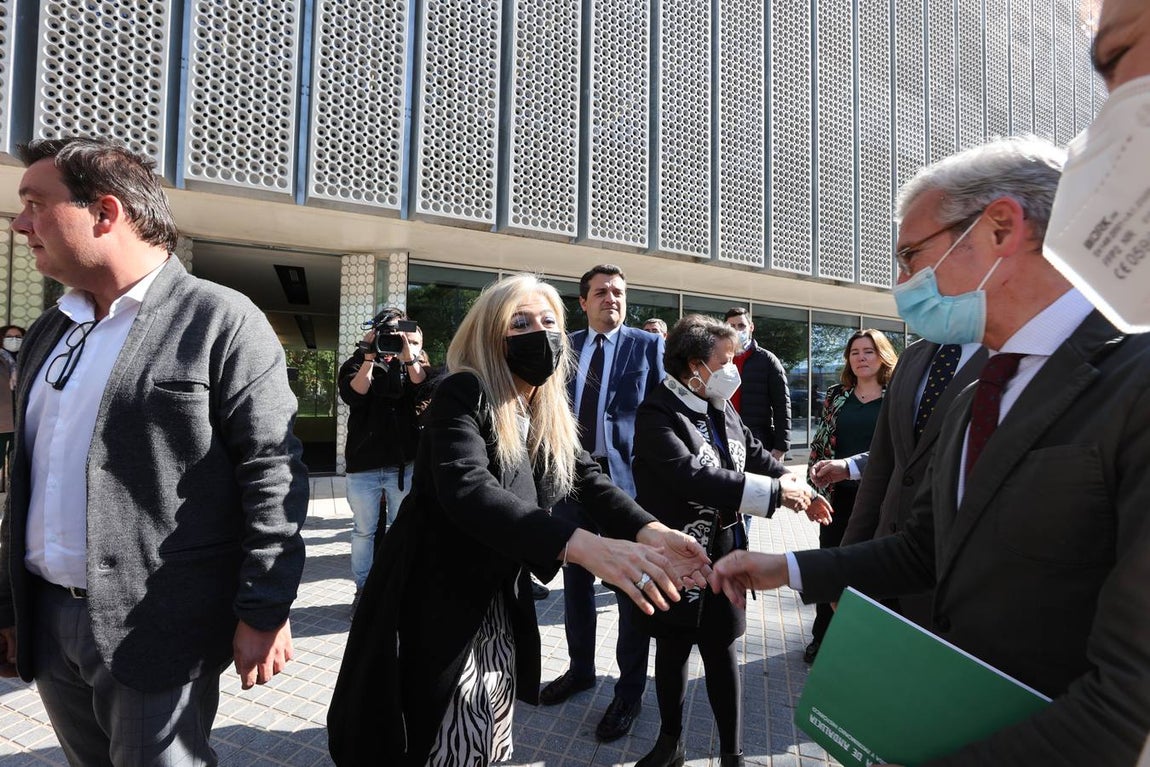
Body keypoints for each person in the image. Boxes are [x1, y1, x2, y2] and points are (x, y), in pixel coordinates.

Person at [710, 135, 1150, 765]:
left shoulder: (1135, 378)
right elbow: (928, 546)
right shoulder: (982, 387)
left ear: (1000, 228)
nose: (901, 281)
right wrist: (790, 571)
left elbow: (1129, 703)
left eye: (911, 254)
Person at [0, 136, 308, 765]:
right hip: (48, 616)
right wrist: (8, 605)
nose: (19, 223)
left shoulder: (221, 318)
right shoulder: (48, 330)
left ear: (105, 213)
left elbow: (271, 471)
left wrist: (265, 606)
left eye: (35, 203)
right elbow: (29, 475)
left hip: (155, 626)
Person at [326, 274, 711, 766]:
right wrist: (584, 547)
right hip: (434, 595)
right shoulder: (461, 391)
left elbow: (587, 477)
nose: (540, 333)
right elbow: (468, 487)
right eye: (521, 322)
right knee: (437, 731)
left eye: (549, 321)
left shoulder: (541, 405)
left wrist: (651, 531)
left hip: (495, 600)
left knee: (487, 721)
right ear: (491, 333)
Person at [629, 315, 829, 767]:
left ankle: (732, 754)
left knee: (722, 652)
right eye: (726, 359)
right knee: (673, 647)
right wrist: (777, 493)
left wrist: (798, 487)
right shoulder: (657, 413)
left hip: (724, 555)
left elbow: (754, 453)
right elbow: (693, 477)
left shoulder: (719, 403)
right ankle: (670, 742)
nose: (733, 366)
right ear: (697, 365)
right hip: (677, 556)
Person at [540, 264, 665, 742]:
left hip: (624, 488)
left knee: (631, 590)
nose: (611, 298)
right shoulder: (564, 345)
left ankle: (629, 692)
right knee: (575, 585)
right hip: (570, 483)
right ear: (583, 302)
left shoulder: (648, 344)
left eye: (618, 291)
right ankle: (580, 669)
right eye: (601, 292)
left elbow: (661, 412)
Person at [825, 337, 986, 627]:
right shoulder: (914, 356)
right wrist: (847, 562)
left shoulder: (1008, 356)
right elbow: (881, 466)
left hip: (953, 581)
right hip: (885, 561)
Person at [803, 329, 897, 662]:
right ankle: (822, 637)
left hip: (883, 500)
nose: (861, 357)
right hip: (839, 497)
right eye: (854, 352)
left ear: (882, 355)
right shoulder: (836, 395)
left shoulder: (897, 395)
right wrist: (812, 491)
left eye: (868, 351)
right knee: (830, 565)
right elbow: (820, 443)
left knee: (875, 569)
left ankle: (863, 642)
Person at [337, 309, 432, 610]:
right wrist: (368, 357)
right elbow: (354, 395)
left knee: (398, 528)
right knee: (363, 531)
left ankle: (394, 587)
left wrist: (409, 355)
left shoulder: (414, 361)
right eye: (386, 335)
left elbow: (424, 388)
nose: (392, 340)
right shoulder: (358, 360)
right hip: (364, 464)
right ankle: (364, 591)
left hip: (403, 463)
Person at [722, 308, 791, 460]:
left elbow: (781, 405)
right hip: (723, 434)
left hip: (757, 439)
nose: (736, 330)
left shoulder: (767, 360)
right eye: (731, 327)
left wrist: (781, 447)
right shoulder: (715, 359)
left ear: (751, 327)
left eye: (741, 326)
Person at [0, 325, 25, 474]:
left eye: (18, 337)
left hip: (21, 420)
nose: (14, 340)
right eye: (9, 337)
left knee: (18, 465)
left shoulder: (28, 358)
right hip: (2, 419)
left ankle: (13, 494)